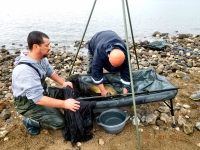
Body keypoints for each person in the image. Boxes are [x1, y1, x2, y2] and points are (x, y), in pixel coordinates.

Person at [11, 31, 80, 136]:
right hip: (28, 103)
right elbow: (38, 100)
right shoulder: (24, 71)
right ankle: (29, 121)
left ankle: (51, 108)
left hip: (42, 92)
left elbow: (49, 71)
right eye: (47, 45)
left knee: (69, 92)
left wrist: (63, 83)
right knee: (60, 123)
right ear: (36, 47)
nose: (49, 48)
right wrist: (65, 104)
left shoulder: (41, 58)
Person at [87, 30, 131, 96]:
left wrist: (125, 93)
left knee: (123, 69)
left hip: (110, 37)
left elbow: (126, 73)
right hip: (95, 42)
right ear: (108, 56)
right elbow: (96, 70)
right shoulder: (100, 52)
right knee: (92, 70)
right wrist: (103, 91)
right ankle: (91, 84)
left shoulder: (126, 55)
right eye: (113, 65)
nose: (114, 67)